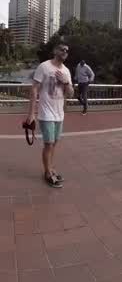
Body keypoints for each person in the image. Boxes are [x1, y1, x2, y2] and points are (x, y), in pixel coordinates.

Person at [27, 44, 73, 187]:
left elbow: (70, 93)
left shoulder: (66, 71)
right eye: (62, 49)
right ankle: (47, 173)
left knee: (54, 143)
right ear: (55, 51)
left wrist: (66, 82)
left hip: (60, 114)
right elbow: (34, 89)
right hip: (46, 113)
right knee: (48, 144)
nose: (65, 52)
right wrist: (31, 113)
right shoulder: (44, 67)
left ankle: (51, 168)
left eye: (67, 50)